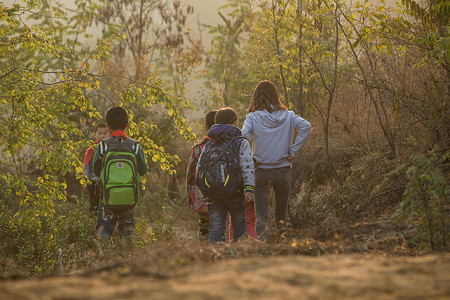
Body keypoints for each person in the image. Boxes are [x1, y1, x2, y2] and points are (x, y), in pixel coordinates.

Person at [242, 80, 311, 241]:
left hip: (261, 171)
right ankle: (283, 245)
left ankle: (263, 245)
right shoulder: (289, 116)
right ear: (275, 95)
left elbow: (243, 135)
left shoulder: (252, 117)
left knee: (261, 215)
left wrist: (250, 158)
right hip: (283, 170)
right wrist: (293, 150)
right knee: (281, 214)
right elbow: (306, 126)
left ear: (256, 97)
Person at [91, 106, 148, 240]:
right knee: (127, 233)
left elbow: (96, 169)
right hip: (128, 197)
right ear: (127, 125)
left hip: (107, 197)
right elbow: (143, 169)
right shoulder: (134, 145)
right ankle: (126, 258)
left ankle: (105, 257)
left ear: (108, 126)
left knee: (104, 230)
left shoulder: (103, 145)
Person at [202, 107, 255, 243]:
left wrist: (205, 189)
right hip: (235, 193)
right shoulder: (240, 142)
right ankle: (237, 256)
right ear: (235, 122)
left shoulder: (209, 143)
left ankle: (214, 256)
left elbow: (200, 168)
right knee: (239, 224)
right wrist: (249, 187)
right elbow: (247, 165)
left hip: (213, 193)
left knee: (216, 226)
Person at [186, 110, 217, 238]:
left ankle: (204, 253)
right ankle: (220, 254)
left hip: (202, 198)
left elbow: (190, 176)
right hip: (223, 197)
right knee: (219, 227)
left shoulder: (198, 148)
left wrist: (190, 199)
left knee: (204, 229)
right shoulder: (228, 146)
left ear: (206, 126)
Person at [83, 123, 109, 215]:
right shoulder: (91, 150)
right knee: (94, 204)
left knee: (106, 205)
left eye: (105, 133)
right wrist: (86, 180)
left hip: (107, 182)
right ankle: (92, 223)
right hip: (93, 182)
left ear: (108, 135)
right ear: (95, 135)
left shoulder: (109, 149)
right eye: (100, 133)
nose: (102, 136)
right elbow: (86, 166)